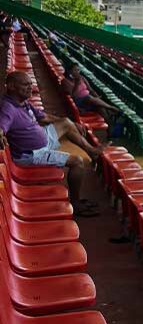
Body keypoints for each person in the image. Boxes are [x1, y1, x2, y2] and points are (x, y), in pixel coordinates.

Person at [0, 71, 107, 217]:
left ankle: (91, 151)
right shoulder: (8, 108)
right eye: (25, 84)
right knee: (77, 162)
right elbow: (1, 127)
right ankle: (76, 203)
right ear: (11, 86)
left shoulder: (23, 102)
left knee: (67, 123)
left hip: (42, 139)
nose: (30, 88)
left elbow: (45, 117)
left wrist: (72, 124)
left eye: (31, 84)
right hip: (32, 154)